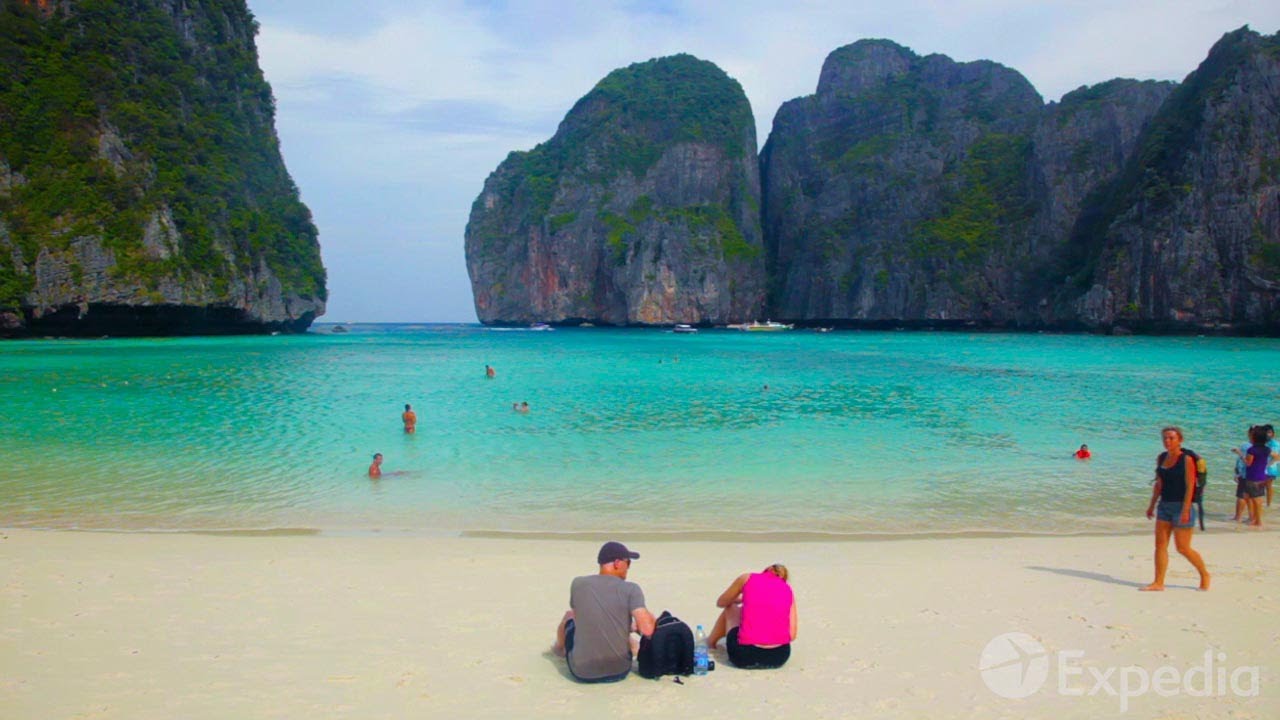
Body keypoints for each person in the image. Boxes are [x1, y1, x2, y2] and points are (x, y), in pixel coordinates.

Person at [552, 541, 655, 683]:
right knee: (621, 623)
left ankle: (558, 649)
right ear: (617, 563)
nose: (628, 568)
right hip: (620, 670)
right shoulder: (632, 589)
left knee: (569, 616)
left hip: (582, 672)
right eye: (628, 563)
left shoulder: (578, 583)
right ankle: (633, 648)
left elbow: (583, 616)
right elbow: (647, 630)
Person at [1142, 427, 1209, 591]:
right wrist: (1152, 505)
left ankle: (1204, 574)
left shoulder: (1186, 459)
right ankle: (1158, 582)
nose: (1167, 441)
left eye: (1171, 438)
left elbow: (1190, 486)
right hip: (1164, 506)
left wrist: (1185, 510)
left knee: (1183, 548)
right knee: (1160, 546)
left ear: (1180, 440)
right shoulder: (1161, 458)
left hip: (1182, 506)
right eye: (1165, 438)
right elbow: (1159, 484)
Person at [705, 564, 797, 669]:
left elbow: (721, 602)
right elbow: (792, 635)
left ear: (766, 570)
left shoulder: (747, 578)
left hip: (745, 656)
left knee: (731, 607)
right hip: (779, 657)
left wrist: (737, 599)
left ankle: (711, 642)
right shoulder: (788, 589)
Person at [1233, 425, 1278, 528]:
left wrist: (1240, 454)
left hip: (1252, 477)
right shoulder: (1266, 449)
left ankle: (1256, 521)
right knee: (1257, 499)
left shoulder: (1252, 450)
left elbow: (1248, 463)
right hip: (1262, 476)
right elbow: (1277, 457)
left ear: (1254, 438)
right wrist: (1268, 465)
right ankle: (1256, 520)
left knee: (1253, 498)